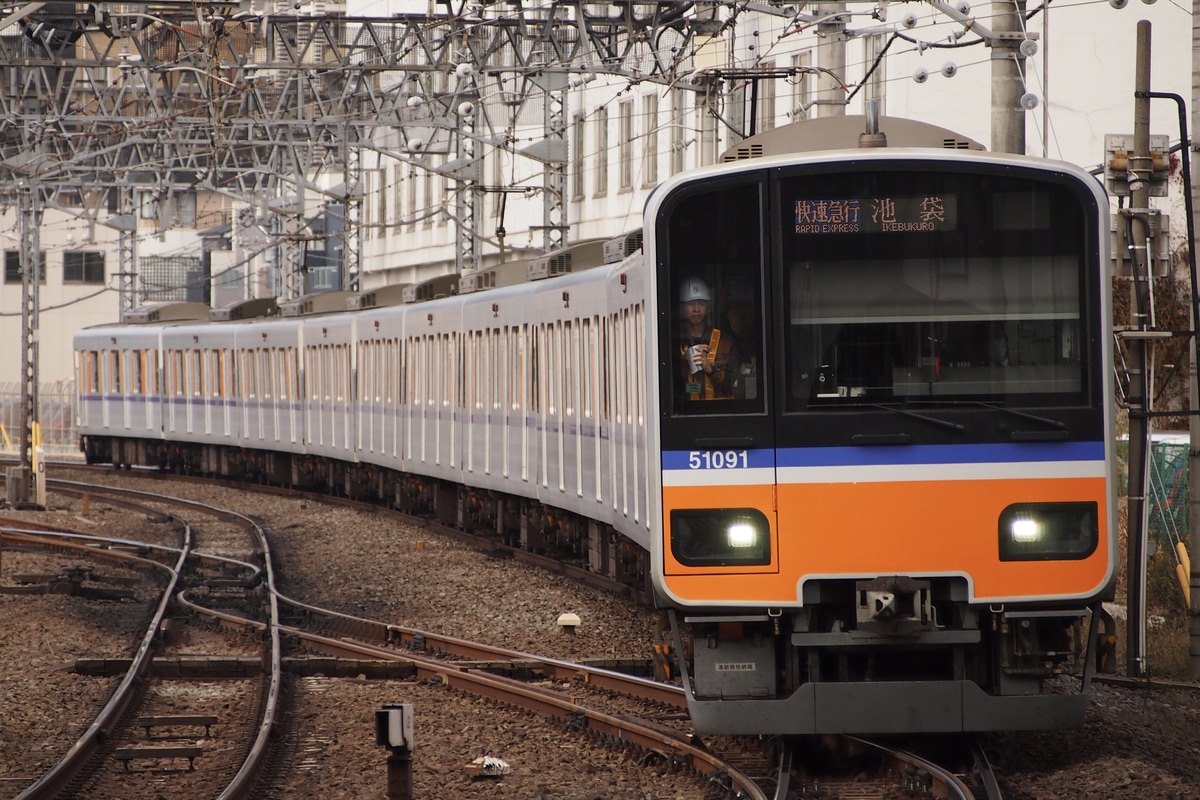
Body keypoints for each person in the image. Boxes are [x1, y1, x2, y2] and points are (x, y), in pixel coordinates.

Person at [676, 277, 735, 400]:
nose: (696, 309)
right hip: (683, 413)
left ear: (708, 306)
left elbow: (735, 382)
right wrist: (685, 362)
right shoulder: (674, 340)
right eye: (691, 304)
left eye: (701, 303)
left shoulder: (724, 342)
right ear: (682, 307)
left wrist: (710, 370)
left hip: (718, 412)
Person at [724, 283, 760, 400]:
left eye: (748, 306)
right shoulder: (718, 342)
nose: (743, 313)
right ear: (729, 310)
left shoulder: (765, 342)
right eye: (738, 306)